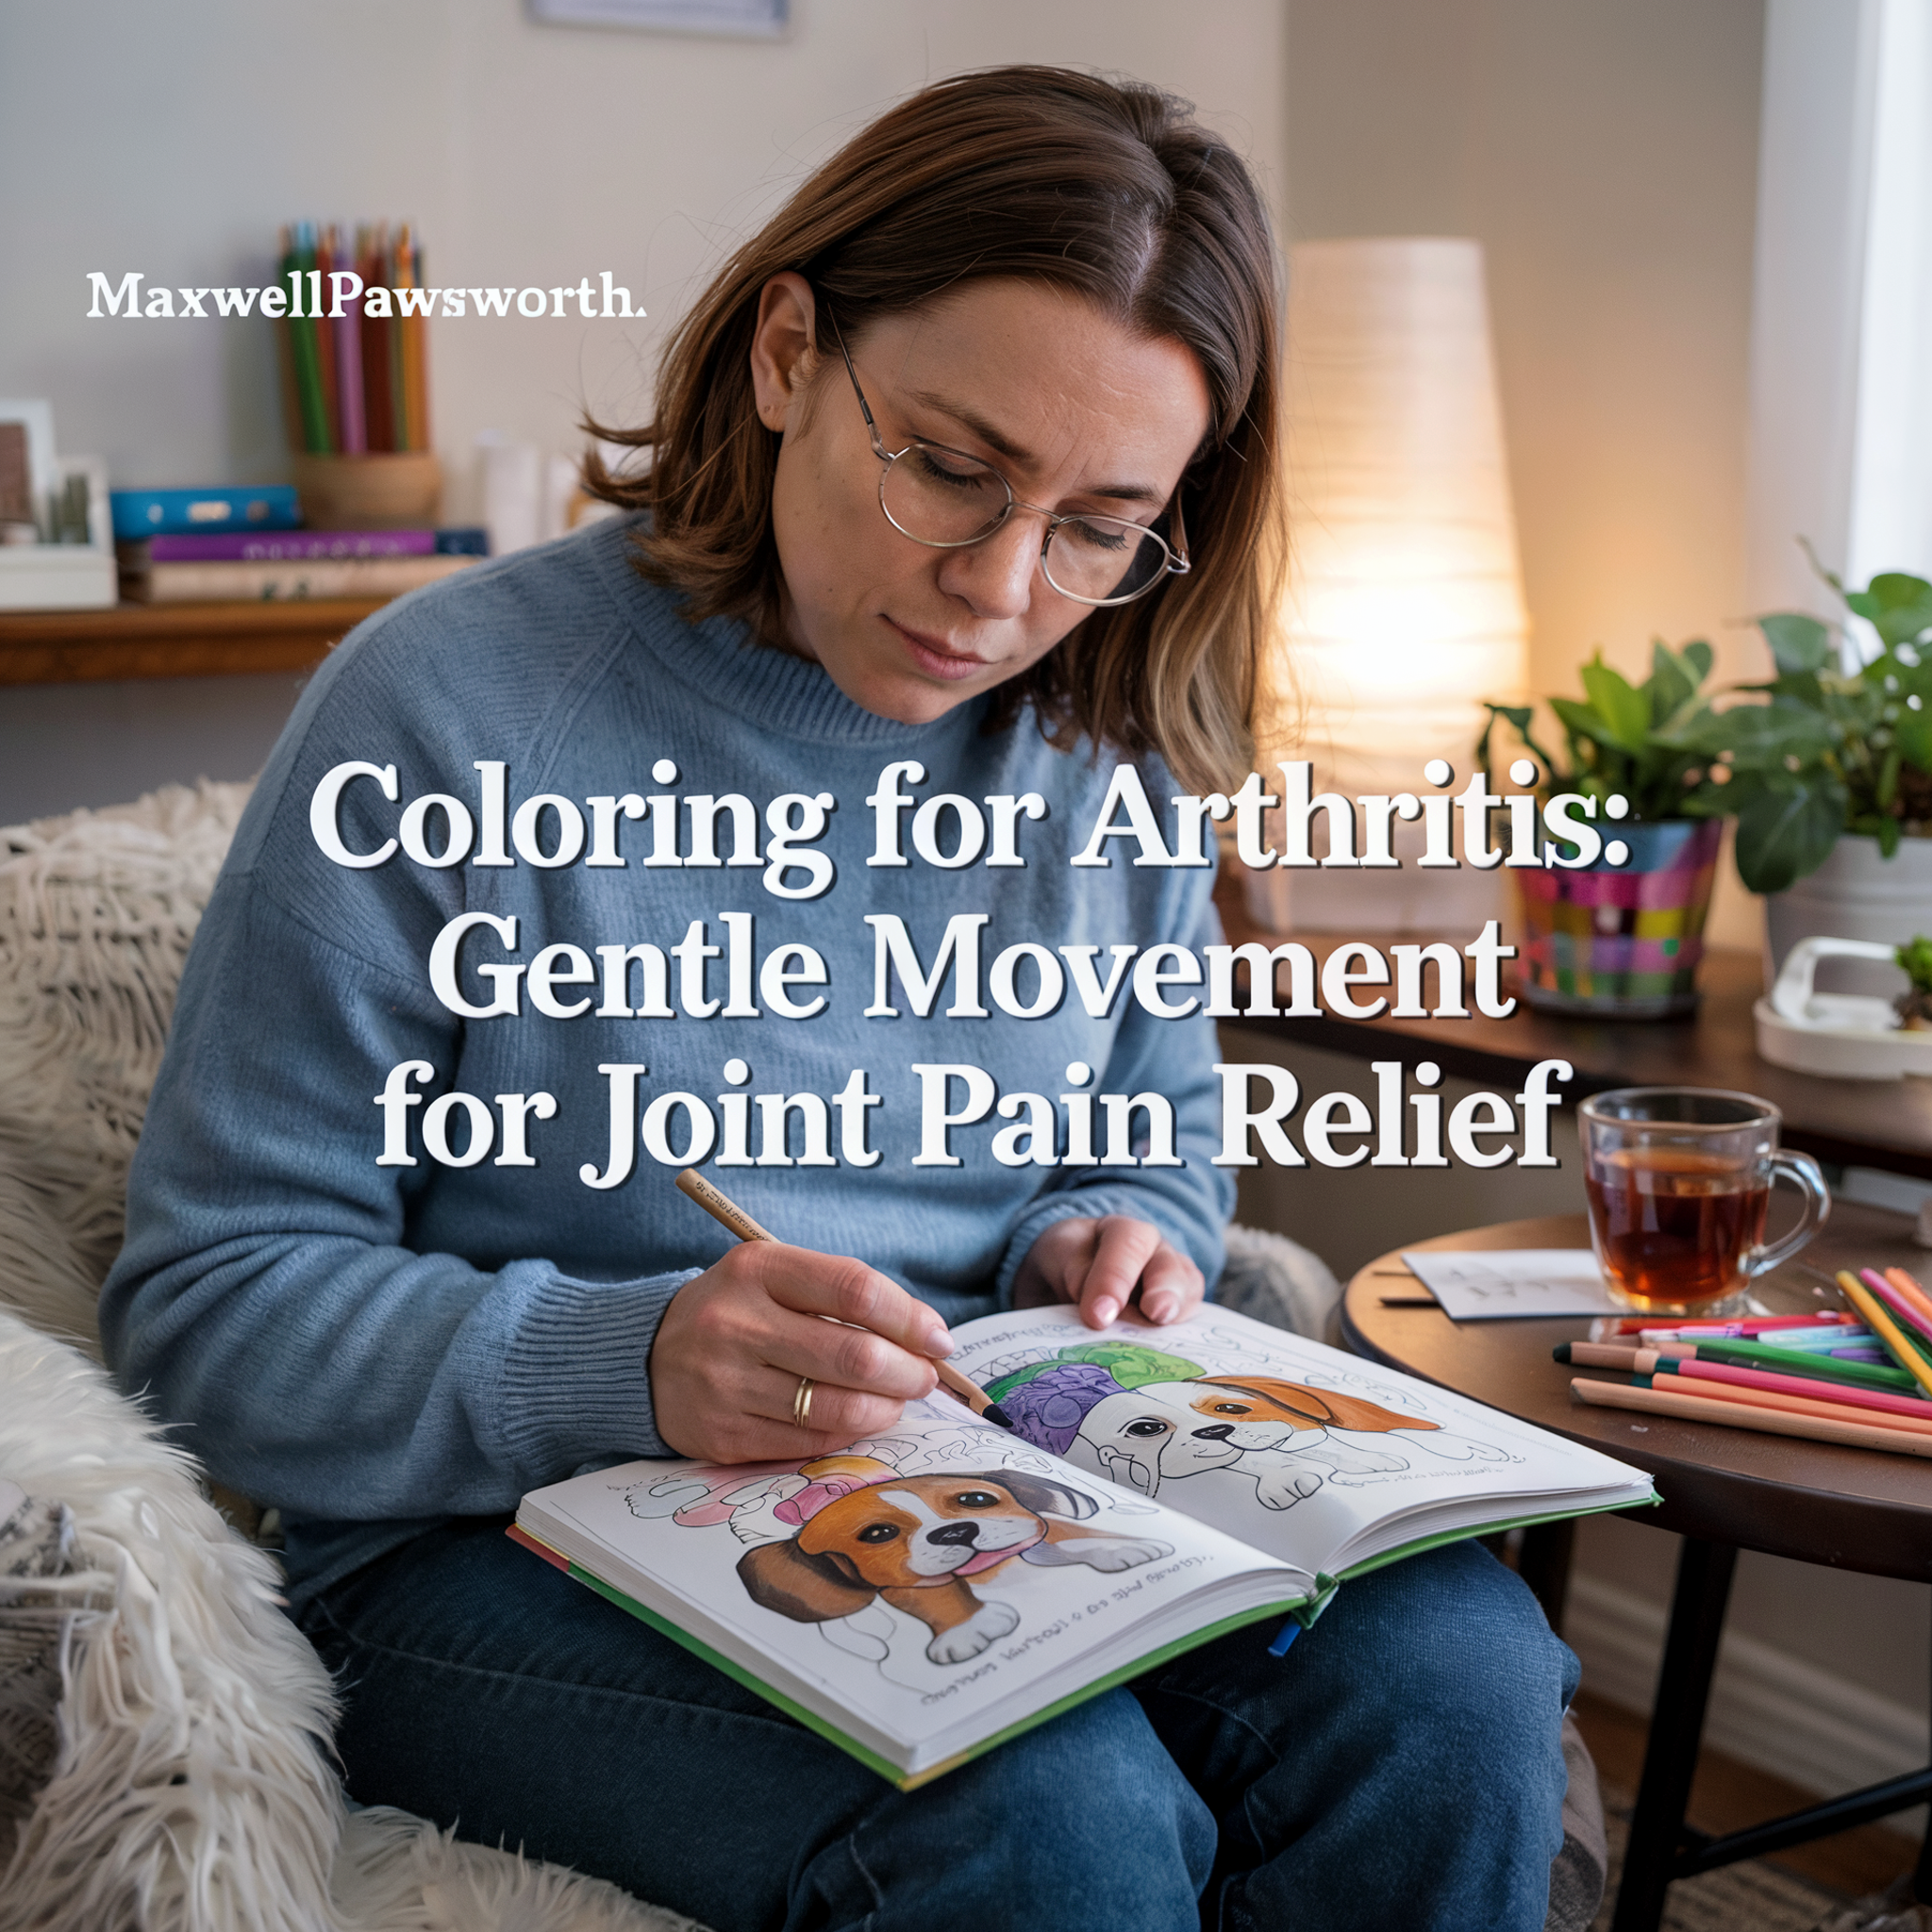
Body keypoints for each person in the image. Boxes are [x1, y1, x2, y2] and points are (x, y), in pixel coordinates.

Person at [103, 66, 1576, 1932]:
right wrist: (631, 1358)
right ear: (788, 351)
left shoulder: (1100, 752)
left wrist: (1111, 1231)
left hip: (990, 1499)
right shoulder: (441, 709)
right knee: (1041, 1814)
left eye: (1099, 523)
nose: (998, 583)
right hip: (490, 1554)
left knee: (1456, 1679)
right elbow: (205, 1311)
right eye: (950, 467)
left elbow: (1155, 1151)